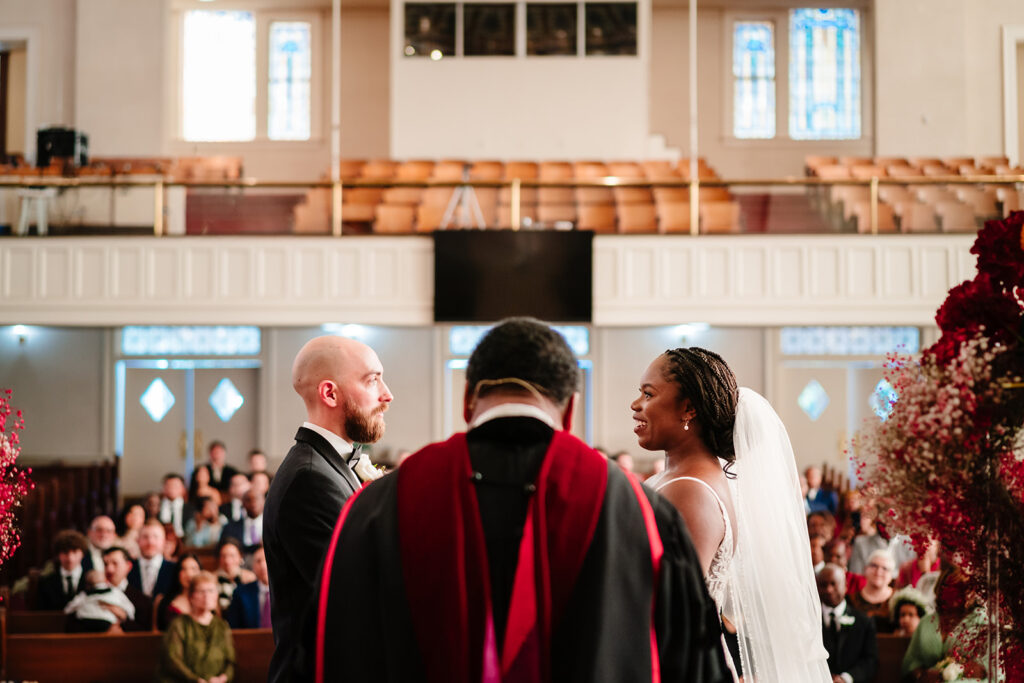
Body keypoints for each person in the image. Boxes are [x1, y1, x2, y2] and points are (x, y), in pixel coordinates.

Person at [314, 318, 730, 683]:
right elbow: (691, 662)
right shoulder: (635, 507)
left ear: (467, 401)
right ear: (570, 411)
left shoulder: (382, 502)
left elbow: (334, 649)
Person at [635, 346, 831, 681]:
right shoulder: (677, 479)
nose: (636, 404)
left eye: (648, 394)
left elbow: (672, 608)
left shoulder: (691, 491)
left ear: (688, 409)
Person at [264, 334, 393, 683]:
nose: (387, 395)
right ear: (330, 394)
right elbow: (356, 596)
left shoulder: (324, 466)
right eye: (373, 380)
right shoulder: (310, 478)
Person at [155, 571, 236, 683]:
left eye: (211, 591)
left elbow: (230, 662)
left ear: (216, 595)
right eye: (201, 591)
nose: (207, 596)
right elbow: (172, 659)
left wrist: (222, 679)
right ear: (191, 596)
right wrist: (196, 680)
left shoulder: (222, 625)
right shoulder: (179, 624)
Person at [817, 564, 879, 683]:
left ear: (845, 586)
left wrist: (846, 678)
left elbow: (870, 661)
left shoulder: (864, 621)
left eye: (833, 584)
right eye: (823, 585)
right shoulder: (811, 622)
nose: (829, 590)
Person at [65, 569, 137, 633]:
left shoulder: (84, 594)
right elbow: (129, 607)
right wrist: (130, 615)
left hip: (87, 621)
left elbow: (68, 609)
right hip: (105, 621)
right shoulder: (115, 591)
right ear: (106, 581)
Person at [103, 545, 153, 632]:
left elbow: (145, 632)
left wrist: (124, 618)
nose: (109, 569)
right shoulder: (93, 594)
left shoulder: (142, 600)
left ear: (128, 566)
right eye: (105, 564)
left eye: (115, 563)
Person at [36, 529, 89, 610]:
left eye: (74, 552)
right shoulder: (45, 582)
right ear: (58, 555)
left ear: (82, 553)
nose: (70, 558)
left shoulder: (91, 581)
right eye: (65, 552)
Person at [847, 549, 896, 632]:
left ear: (891, 575)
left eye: (884, 568)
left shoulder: (897, 600)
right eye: (874, 566)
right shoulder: (851, 599)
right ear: (865, 569)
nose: (878, 572)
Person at [224, 545, 271, 630]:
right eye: (258, 561)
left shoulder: (287, 592)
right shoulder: (240, 593)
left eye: (267, 559)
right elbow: (234, 627)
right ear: (253, 567)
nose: (263, 565)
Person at [127, 519, 176, 599]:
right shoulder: (127, 568)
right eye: (145, 537)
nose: (150, 542)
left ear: (163, 541)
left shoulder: (175, 569)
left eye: (156, 537)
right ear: (137, 540)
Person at [157, 553, 202, 631]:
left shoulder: (209, 599)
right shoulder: (165, 601)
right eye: (183, 569)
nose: (189, 574)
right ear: (177, 573)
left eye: (193, 569)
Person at [215, 538, 255, 612]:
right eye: (223, 556)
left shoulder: (250, 578)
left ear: (240, 557)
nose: (227, 560)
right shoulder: (213, 578)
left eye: (232, 556)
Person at [220, 489, 263, 554]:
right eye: (248, 500)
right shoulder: (230, 528)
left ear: (264, 501)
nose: (253, 503)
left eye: (256, 499)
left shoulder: (272, 526)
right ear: (243, 503)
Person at [158, 474, 195, 539]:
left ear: (183, 489)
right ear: (163, 488)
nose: (172, 489)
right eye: (169, 486)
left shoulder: (192, 509)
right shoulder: (156, 507)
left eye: (175, 486)